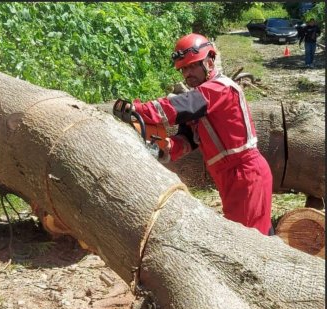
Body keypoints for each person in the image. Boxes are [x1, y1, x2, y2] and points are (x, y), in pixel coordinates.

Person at [113, 33, 273, 235]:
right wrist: (166, 148)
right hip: (228, 176)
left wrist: (138, 110)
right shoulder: (203, 100)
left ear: (209, 61)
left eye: (193, 66)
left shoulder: (219, 88)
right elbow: (189, 139)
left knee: (251, 242)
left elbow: (178, 107)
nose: (188, 73)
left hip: (245, 172)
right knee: (251, 236)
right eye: (183, 69)